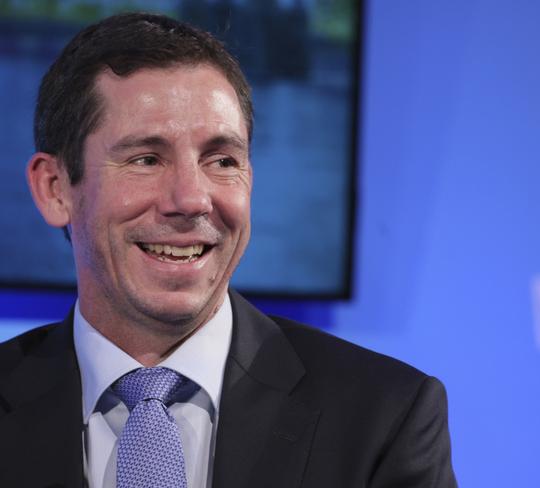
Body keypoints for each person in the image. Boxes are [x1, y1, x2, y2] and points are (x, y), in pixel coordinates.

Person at [0, 12, 457, 488]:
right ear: (55, 188)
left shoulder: (384, 416)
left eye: (222, 161)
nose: (193, 199)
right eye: (147, 159)